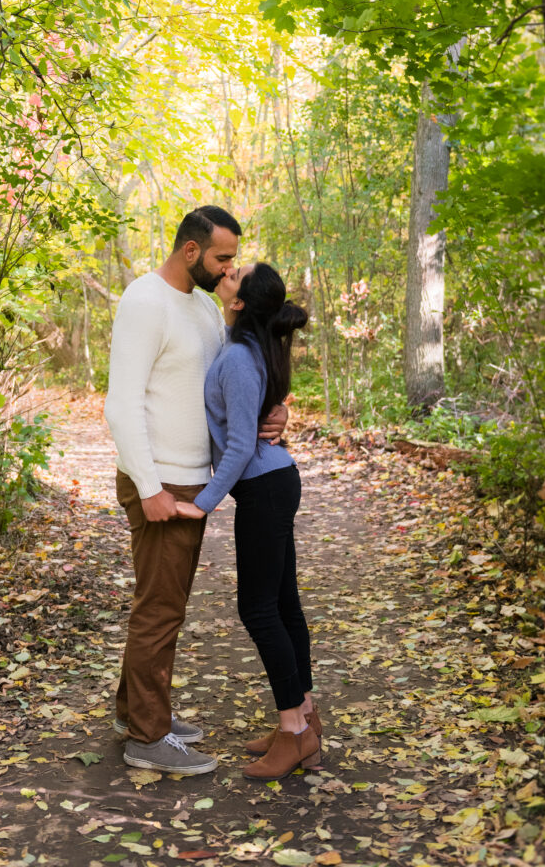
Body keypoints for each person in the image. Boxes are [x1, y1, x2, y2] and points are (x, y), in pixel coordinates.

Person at [104, 207, 287, 776]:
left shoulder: (205, 308)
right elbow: (122, 404)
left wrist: (274, 410)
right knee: (160, 610)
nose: (230, 269)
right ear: (191, 251)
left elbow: (235, 377)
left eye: (234, 259)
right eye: (222, 258)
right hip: (161, 481)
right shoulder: (145, 301)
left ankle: (136, 713)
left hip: (189, 478)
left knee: (163, 605)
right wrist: (150, 487)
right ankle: (147, 738)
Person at [176, 262, 321, 781]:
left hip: (265, 487)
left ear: (239, 302)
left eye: (237, 274)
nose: (229, 272)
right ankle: (306, 717)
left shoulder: (240, 355)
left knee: (258, 610)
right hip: (274, 482)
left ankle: (294, 732)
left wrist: (203, 503)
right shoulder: (248, 343)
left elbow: (239, 446)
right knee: (282, 604)